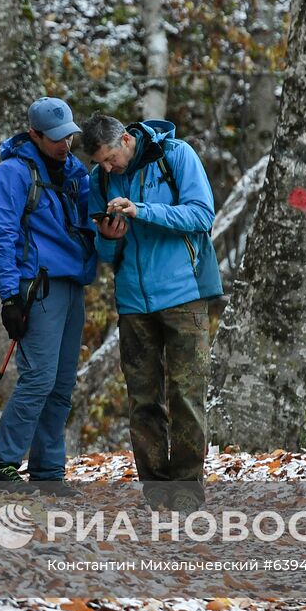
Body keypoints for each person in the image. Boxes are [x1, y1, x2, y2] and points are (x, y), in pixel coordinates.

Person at [81, 115, 222, 492]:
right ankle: (156, 494)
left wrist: (141, 210)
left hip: (184, 296)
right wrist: (109, 237)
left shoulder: (175, 156)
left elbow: (202, 214)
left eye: (110, 158)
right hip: (133, 304)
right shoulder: (100, 180)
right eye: (99, 162)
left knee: (186, 397)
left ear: (126, 140)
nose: (106, 168)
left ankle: (186, 493)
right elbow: (105, 253)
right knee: (142, 402)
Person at [0, 97, 97, 484]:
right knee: (39, 379)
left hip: (73, 286)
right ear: (34, 134)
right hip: (38, 288)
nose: (65, 144)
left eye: (69, 136)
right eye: (56, 138)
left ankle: (48, 473)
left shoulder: (76, 173)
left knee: (62, 385)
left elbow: (91, 222)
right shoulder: (11, 173)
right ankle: (0, 467)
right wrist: (10, 297)